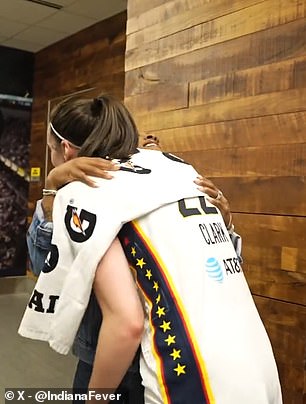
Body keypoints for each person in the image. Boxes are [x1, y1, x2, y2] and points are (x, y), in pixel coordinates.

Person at [20, 94, 281, 403]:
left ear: (65, 149)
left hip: (138, 359)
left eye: (50, 149)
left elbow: (48, 268)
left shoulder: (86, 194)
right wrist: (226, 224)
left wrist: (52, 187)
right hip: (241, 355)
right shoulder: (180, 174)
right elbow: (221, 264)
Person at [27, 144, 241, 404]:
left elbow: (127, 322)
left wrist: (224, 224)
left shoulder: (178, 188)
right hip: (119, 352)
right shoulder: (101, 193)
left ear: (65, 148)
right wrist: (51, 190)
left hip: (160, 354)